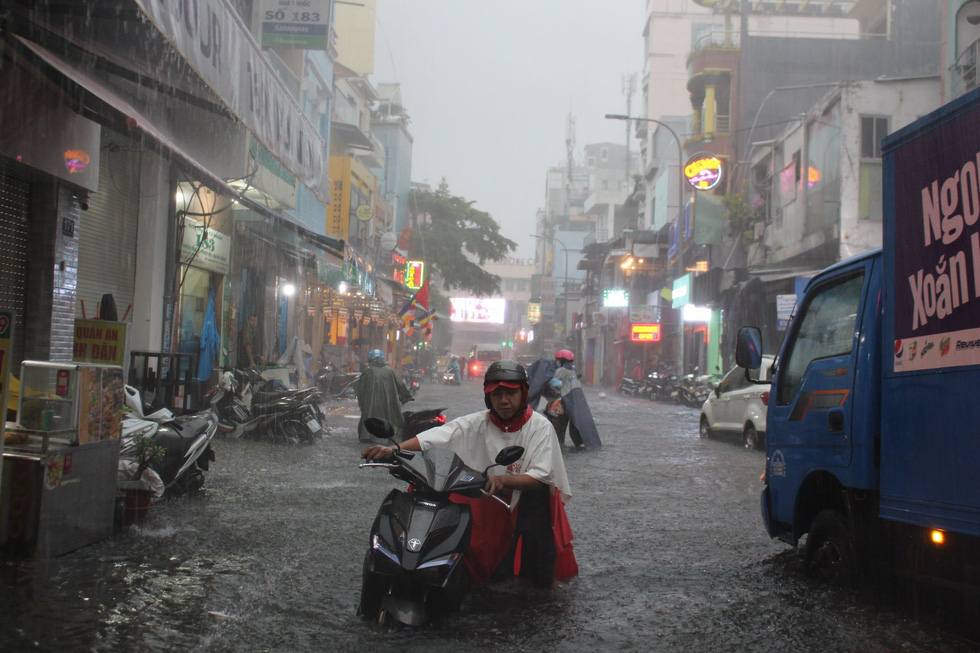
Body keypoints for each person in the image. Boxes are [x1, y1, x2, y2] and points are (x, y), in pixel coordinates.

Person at [362, 360, 577, 587]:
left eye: (511, 393)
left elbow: (541, 475)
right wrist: (394, 449)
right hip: (491, 499)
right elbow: (438, 436)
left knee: (533, 575)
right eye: (496, 394)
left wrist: (503, 479)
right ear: (488, 397)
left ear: (523, 394)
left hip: (530, 504)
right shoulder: (477, 422)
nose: (503, 400)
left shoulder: (540, 427)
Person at [356, 349, 413, 443]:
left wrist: (362, 403)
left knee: (368, 416)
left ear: (370, 360)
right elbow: (400, 385)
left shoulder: (368, 371)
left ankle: (367, 435)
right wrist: (407, 395)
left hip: (371, 403)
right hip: (388, 401)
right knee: (391, 417)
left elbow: (361, 389)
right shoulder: (390, 371)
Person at [553, 349, 602, 451]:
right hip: (575, 402)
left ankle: (559, 444)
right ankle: (589, 442)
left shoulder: (560, 371)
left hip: (563, 403)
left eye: (557, 360)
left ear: (561, 361)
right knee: (581, 420)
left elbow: (553, 384)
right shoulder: (572, 372)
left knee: (558, 430)